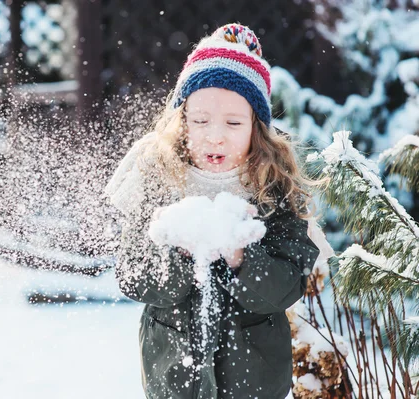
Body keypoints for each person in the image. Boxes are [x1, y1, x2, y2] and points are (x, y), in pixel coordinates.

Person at [104, 23, 328, 399]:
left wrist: (243, 257)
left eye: (233, 123)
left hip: (254, 378)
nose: (215, 135)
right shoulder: (160, 183)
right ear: (182, 120)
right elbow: (132, 276)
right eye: (201, 121)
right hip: (173, 375)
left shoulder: (272, 191)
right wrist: (178, 253)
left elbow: (287, 287)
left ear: (257, 128)